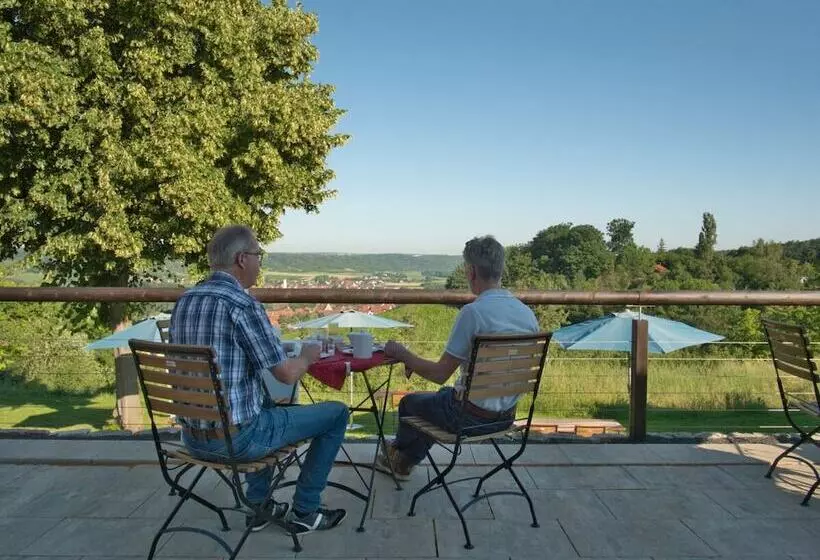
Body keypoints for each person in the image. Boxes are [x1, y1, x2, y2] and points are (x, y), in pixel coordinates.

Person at [170, 225, 348, 534]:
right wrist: (307, 356)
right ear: (241, 259)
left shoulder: (186, 300)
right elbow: (286, 373)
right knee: (336, 414)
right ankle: (306, 510)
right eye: (258, 255)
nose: (259, 262)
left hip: (191, 438)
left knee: (263, 398)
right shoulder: (243, 304)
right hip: (237, 442)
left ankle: (260, 506)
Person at [380, 235, 539, 479]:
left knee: (410, 404)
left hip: (467, 418)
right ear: (500, 269)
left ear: (472, 271)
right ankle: (401, 458)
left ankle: (401, 459)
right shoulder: (527, 314)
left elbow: (439, 375)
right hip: (506, 417)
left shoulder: (473, 313)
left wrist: (404, 355)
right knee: (440, 400)